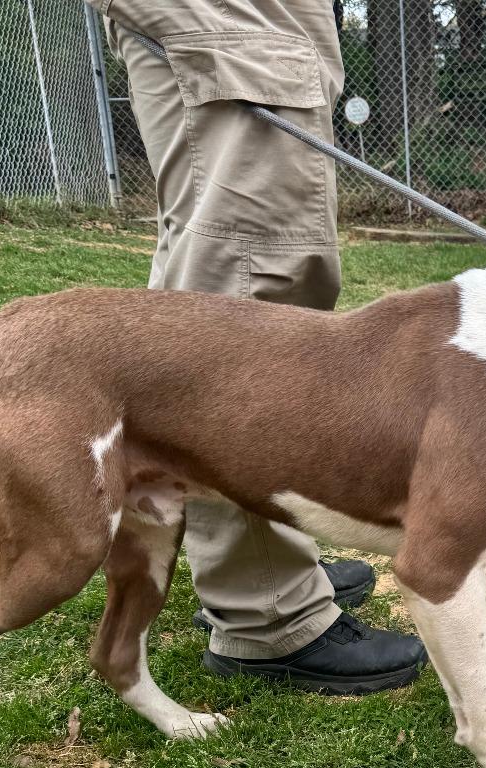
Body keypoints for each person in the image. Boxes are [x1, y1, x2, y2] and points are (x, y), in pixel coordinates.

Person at [91, 0, 427, 695]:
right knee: (248, 293)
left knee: (236, 278)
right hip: (233, 22)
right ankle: (266, 612)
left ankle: (264, 559)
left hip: (255, 31)